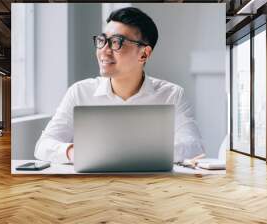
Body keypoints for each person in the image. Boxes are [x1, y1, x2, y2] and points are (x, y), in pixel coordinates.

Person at [34, 7, 204, 164]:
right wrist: (73, 152)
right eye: (102, 40)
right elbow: (43, 146)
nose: (104, 50)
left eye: (116, 42)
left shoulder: (172, 95)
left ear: (144, 54)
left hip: (152, 187)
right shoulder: (79, 92)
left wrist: (130, 154)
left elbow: (194, 147)